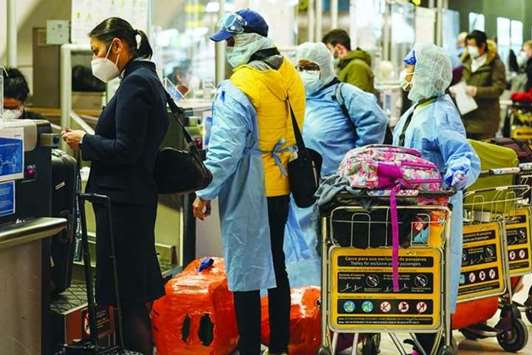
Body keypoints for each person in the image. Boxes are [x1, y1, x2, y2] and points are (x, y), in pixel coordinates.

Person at [191, 9, 304, 355]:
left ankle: (251, 347)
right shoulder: (290, 75)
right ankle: (280, 345)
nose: (227, 48)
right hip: (283, 182)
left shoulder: (240, 85)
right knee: (276, 265)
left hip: (250, 188)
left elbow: (225, 151)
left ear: (245, 41)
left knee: (246, 270)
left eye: (229, 40)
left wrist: (205, 191)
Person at [61, 17, 165, 355]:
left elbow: (126, 149)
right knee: (131, 293)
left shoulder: (136, 84)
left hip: (123, 206)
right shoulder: (146, 78)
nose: (95, 59)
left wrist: (86, 141)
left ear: (116, 46)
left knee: (128, 295)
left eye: (96, 50)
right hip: (133, 201)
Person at [395, 43, 480, 353]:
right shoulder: (418, 108)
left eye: (411, 67)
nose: (406, 73)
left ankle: (429, 341)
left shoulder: (441, 113)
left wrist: (456, 174)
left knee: (432, 273)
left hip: (433, 210)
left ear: (426, 72)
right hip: (410, 206)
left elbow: (461, 154)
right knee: (415, 272)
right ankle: (420, 336)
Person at [283, 42, 388, 286]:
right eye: (299, 67)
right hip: (302, 185)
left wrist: (357, 160)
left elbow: (376, 122)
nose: (303, 72)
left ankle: (330, 297)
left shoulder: (344, 94)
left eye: (310, 67)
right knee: (303, 243)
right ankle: (307, 297)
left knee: (332, 243)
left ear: (326, 67)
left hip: (338, 187)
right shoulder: (296, 96)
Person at [458, 30, 506, 139]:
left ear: (482, 45)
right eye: (468, 45)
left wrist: (476, 91)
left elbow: (498, 89)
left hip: (485, 122)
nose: (469, 48)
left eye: (472, 45)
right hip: (466, 119)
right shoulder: (466, 62)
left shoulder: (495, 64)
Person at [322, 29, 375, 93]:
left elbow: (355, 98)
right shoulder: (346, 65)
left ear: (339, 48)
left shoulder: (357, 66)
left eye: (329, 49)